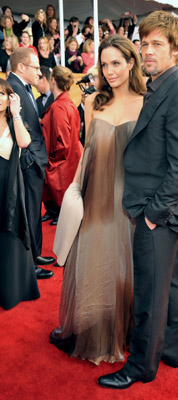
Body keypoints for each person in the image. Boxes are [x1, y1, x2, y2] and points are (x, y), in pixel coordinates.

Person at [97, 11, 178, 389]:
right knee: (168, 286)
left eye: (157, 43)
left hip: (158, 210)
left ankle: (140, 366)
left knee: (149, 293)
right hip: (153, 206)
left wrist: (154, 215)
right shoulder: (160, 86)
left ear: (175, 48)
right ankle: (170, 350)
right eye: (144, 43)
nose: (148, 50)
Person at [49, 35, 146, 364]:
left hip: (129, 198)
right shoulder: (91, 102)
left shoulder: (146, 102)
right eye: (104, 65)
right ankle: (89, 326)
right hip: (96, 194)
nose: (110, 71)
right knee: (93, 261)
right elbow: (88, 151)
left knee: (124, 263)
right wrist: (77, 194)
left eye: (116, 63)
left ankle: (125, 327)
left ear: (131, 63)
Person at [7, 48, 54, 278]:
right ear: (21, 67)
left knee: (34, 211)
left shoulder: (23, 88)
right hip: (27, 161)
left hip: (33, 159)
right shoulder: (13, 88)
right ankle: (28, 265)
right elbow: (18, 129)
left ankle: (34, 255)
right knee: (27, 213)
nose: (39, 71)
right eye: (35, 67)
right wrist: (31, 160)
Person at [0, 78, 40, 310]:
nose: (0, 98)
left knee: (11, 229)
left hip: (11, 184)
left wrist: (16, 114)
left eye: (3, 94)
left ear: (9, 98)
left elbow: (24, 142)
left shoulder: (15, 121)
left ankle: (12, 288)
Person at [40, 66, 82, 226]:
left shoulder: (59, 107)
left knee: (60, 190)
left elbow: (62, 142)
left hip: (61, 160)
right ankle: (53, 212)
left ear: (53, 81)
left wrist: (52, 161)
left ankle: (57, 212)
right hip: (68, 157)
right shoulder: (67, 103)